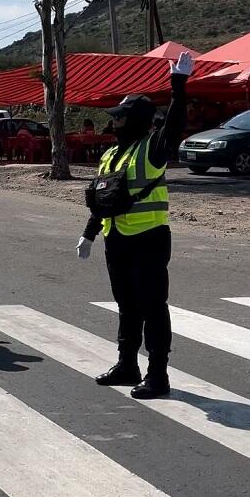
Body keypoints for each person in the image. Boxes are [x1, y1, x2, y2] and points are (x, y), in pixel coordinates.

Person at [75, 52, 194, 399]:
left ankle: (158, 375)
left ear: (134, 121)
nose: (114, 123)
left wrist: (178, 86)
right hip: (117, 240)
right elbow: (103, 198)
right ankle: (127, 365)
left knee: (153, 306)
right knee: (127, 305)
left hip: (148, 239)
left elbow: (174, 127)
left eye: (120, 118)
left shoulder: (151, 147)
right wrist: (88, 233)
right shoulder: (111, 154)